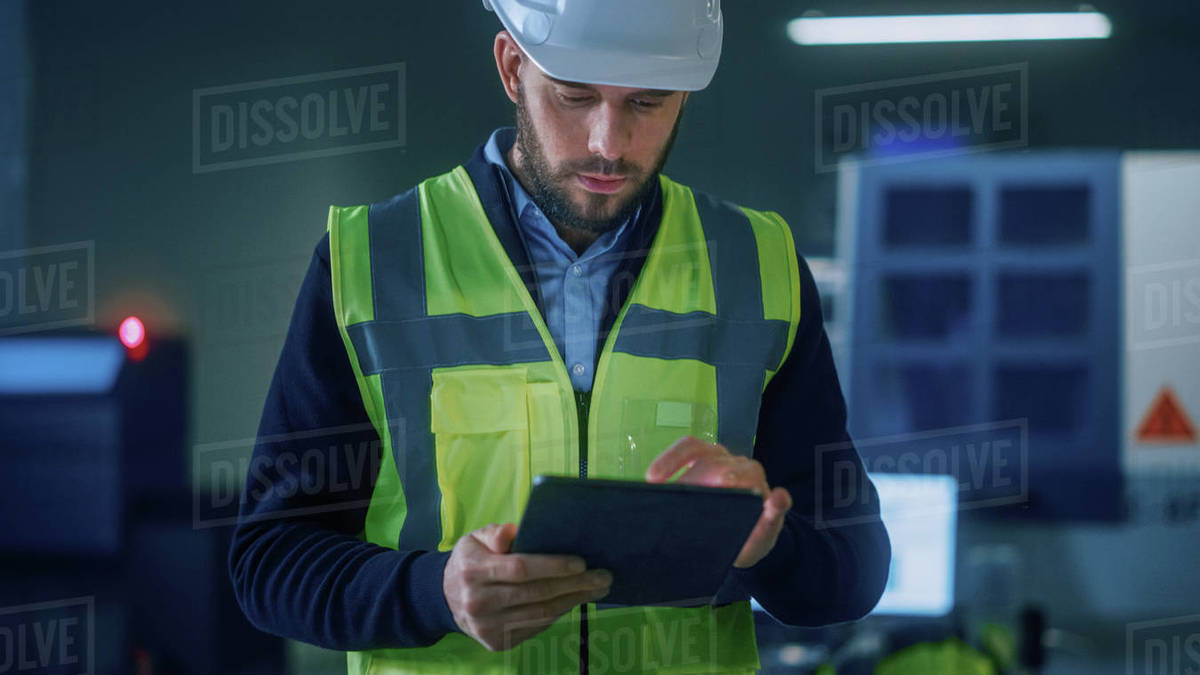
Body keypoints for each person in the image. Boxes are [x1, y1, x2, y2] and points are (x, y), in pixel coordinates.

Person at [229, 1, 891, 673]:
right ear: (513, 67)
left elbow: (855, 570)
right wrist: (436, 591)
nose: (609, 141)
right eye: (575, 98)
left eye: (647, 103)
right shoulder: (371, 263)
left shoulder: (758, 266)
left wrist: (765, 547)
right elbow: (270, 562)